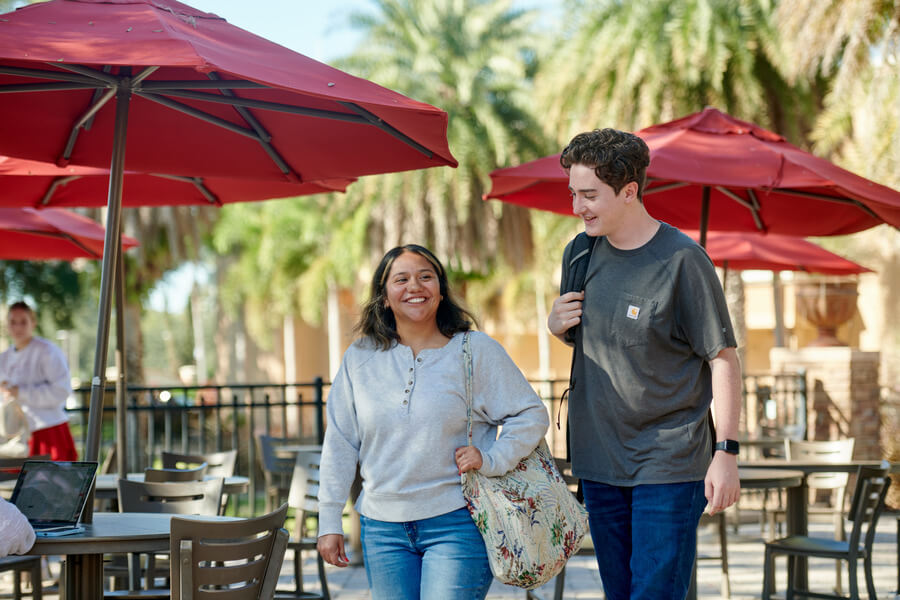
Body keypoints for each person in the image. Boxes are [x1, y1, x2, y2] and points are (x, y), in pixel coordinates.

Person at [547, 129, 742, 600]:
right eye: (573, 193)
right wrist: (556, 326)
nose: (578, 207)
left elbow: (723, 358)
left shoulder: (683, 260)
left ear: (630, 190)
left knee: (654, 592)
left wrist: (727, 452)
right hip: (597, 461)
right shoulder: (579, 253)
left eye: (590, 195)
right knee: (620, 593)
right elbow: (593, 344)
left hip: (669, 463)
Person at [317, 244, 549, 600]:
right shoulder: (359, 359)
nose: (415, 286)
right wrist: (329, 519)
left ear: (440, 292)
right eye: (401, 279)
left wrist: (491, 459)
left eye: (426, 277)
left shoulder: (474, 351)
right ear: (384, 297)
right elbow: (341, 442)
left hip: (457, 521)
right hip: (381, 528)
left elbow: (530, 413)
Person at [0, 301, 77, 461]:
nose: (18, 327)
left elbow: (62, 390)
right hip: (15, 435)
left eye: (23, 322)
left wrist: (21, 392)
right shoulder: (4, 358)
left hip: (48, 430)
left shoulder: (47, 351)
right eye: (13, 322)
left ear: (33, 323)